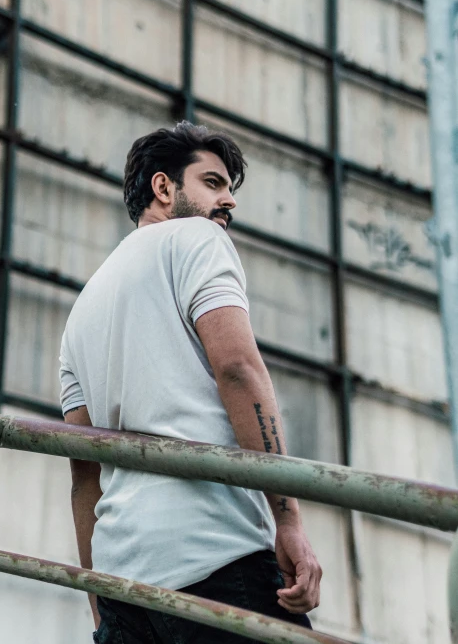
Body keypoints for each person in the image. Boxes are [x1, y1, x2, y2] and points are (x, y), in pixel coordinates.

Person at [59, 121, 322, 643]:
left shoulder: (83, 308)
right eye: (213, 183)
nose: (228, 201)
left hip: (123, 586)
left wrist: (100, 601)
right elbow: (238, 369)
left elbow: (84, 473)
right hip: (215, 555)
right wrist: (287, 519)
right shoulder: (198, 238)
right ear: (164, 187)